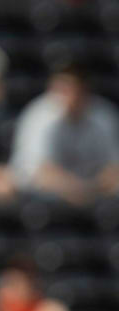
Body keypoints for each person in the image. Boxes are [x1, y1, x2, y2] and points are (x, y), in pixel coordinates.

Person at [9, 63, 119, 205]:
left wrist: (91, 188)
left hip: (96, 192)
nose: (64, 97)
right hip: (46, 194)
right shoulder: (38, 115)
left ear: (84, 91)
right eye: (59, 90)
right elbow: (37, 172)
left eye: (69, 90)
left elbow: (114, 169)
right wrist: (76, 189)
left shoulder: (104, 116)